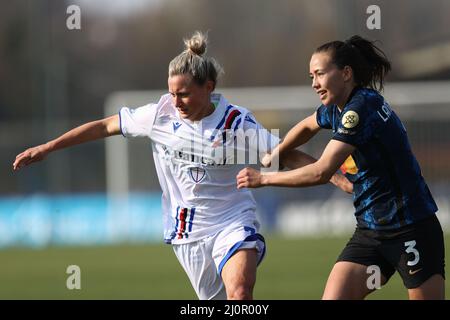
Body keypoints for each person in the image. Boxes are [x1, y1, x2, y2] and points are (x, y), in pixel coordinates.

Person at [13, 31, 350, 300]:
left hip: (233, 221)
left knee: (241, 293)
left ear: (209, 87)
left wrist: (334, 175)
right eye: (172, 93)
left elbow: (283, 154)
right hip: (187, 233)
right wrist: (50, 146)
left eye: (184, 94)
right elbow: (104, 126)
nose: (176, 102)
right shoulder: (158, 115)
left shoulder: (236, 123)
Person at [237, 35, 445, 300]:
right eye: (311, 76)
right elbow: (306, 126)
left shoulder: (359, 109)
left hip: (412, 228)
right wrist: (277, 152)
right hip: (370, 232)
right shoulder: (338, 106)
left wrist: (264, 178)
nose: (314, 83)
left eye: (320, 74)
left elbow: (321, 171)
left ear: (346, 73)